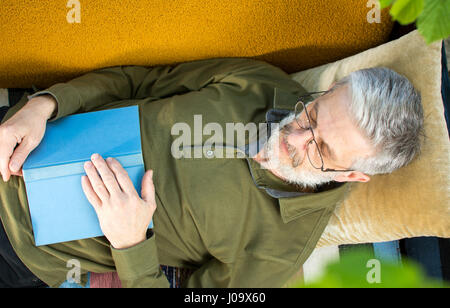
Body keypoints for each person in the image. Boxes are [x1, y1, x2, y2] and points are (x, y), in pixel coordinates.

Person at [0, 57, 424, 288]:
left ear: (352, 176)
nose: (293, 138)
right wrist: (43, 105)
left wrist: (131, 244)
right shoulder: (257, 81)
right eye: (311, 115)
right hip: (15, 133)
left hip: (21, 247)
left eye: (321, 149)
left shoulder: (279, 251)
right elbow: (138, 81)